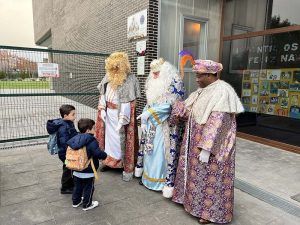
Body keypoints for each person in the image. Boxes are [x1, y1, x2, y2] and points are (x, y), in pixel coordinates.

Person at [171, 59, 244, 224]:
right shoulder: (201, 90)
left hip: (212, 146)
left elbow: (219, 122)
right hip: (195, 141)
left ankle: (210, 213)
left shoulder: (222, 91)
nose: (196, 79)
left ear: (212, 74)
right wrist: (179, 109)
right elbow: (190, 110)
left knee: (212, 179)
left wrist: (206, 148)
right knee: (196, 176)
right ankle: (192, 204)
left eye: (199, 75)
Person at [135, 58, 185, 198]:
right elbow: (150, 102)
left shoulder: (174, 81)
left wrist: (148, 114)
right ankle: (147, 178)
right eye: (153, 73)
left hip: (165, 126)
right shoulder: (153, 82)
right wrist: (145, 117)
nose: (155, 75)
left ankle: (161, 182)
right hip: (152, 124)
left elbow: (172, 105)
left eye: (157, 73)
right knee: (149, 151)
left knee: (160, 153)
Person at [95, 52, 141, 181]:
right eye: (112, 68)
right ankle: (108, 162)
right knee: (108, 140)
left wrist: (122, 119)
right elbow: (103, 94)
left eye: (117, 68)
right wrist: (102, 109)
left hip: (121, 116)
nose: (114, 71)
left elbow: (129, 102)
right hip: (108, 116)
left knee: (122, 141)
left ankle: (125, 166)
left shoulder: (131, 79)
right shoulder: (108, 76)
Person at [67, 118, 107, 211]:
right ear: (88, 130)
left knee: (77, 186)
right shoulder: (91, 140)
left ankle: (75, 202)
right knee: (88, 187)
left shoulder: (74, 139)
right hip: (88, 169)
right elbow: (97, 153)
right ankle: (87, 204)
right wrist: (105, 155)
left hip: (75, 168)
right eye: (93, 128)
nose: (95, 130)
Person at [46, 104, 78, 194]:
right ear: (65, 116)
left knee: (70, 167)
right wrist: (73, 147)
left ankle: (70, 184)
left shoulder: (68, 123)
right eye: (73, 114)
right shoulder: (63, 127)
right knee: (68, 168)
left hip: (67, 151)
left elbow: (73, 134)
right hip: (65, 153)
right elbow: (64, 142)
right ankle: (65, 188)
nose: (75, 116)